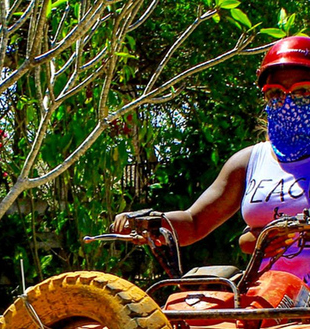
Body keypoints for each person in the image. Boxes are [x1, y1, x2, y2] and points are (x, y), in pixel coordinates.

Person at [111, 35, 310, 283]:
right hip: (270, 300)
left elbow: (250, 242)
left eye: (302, 91)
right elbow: (194, 222)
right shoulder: (249, 162)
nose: (288, 102)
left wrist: (262, 238)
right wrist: (152, 224)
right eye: (276, 93)